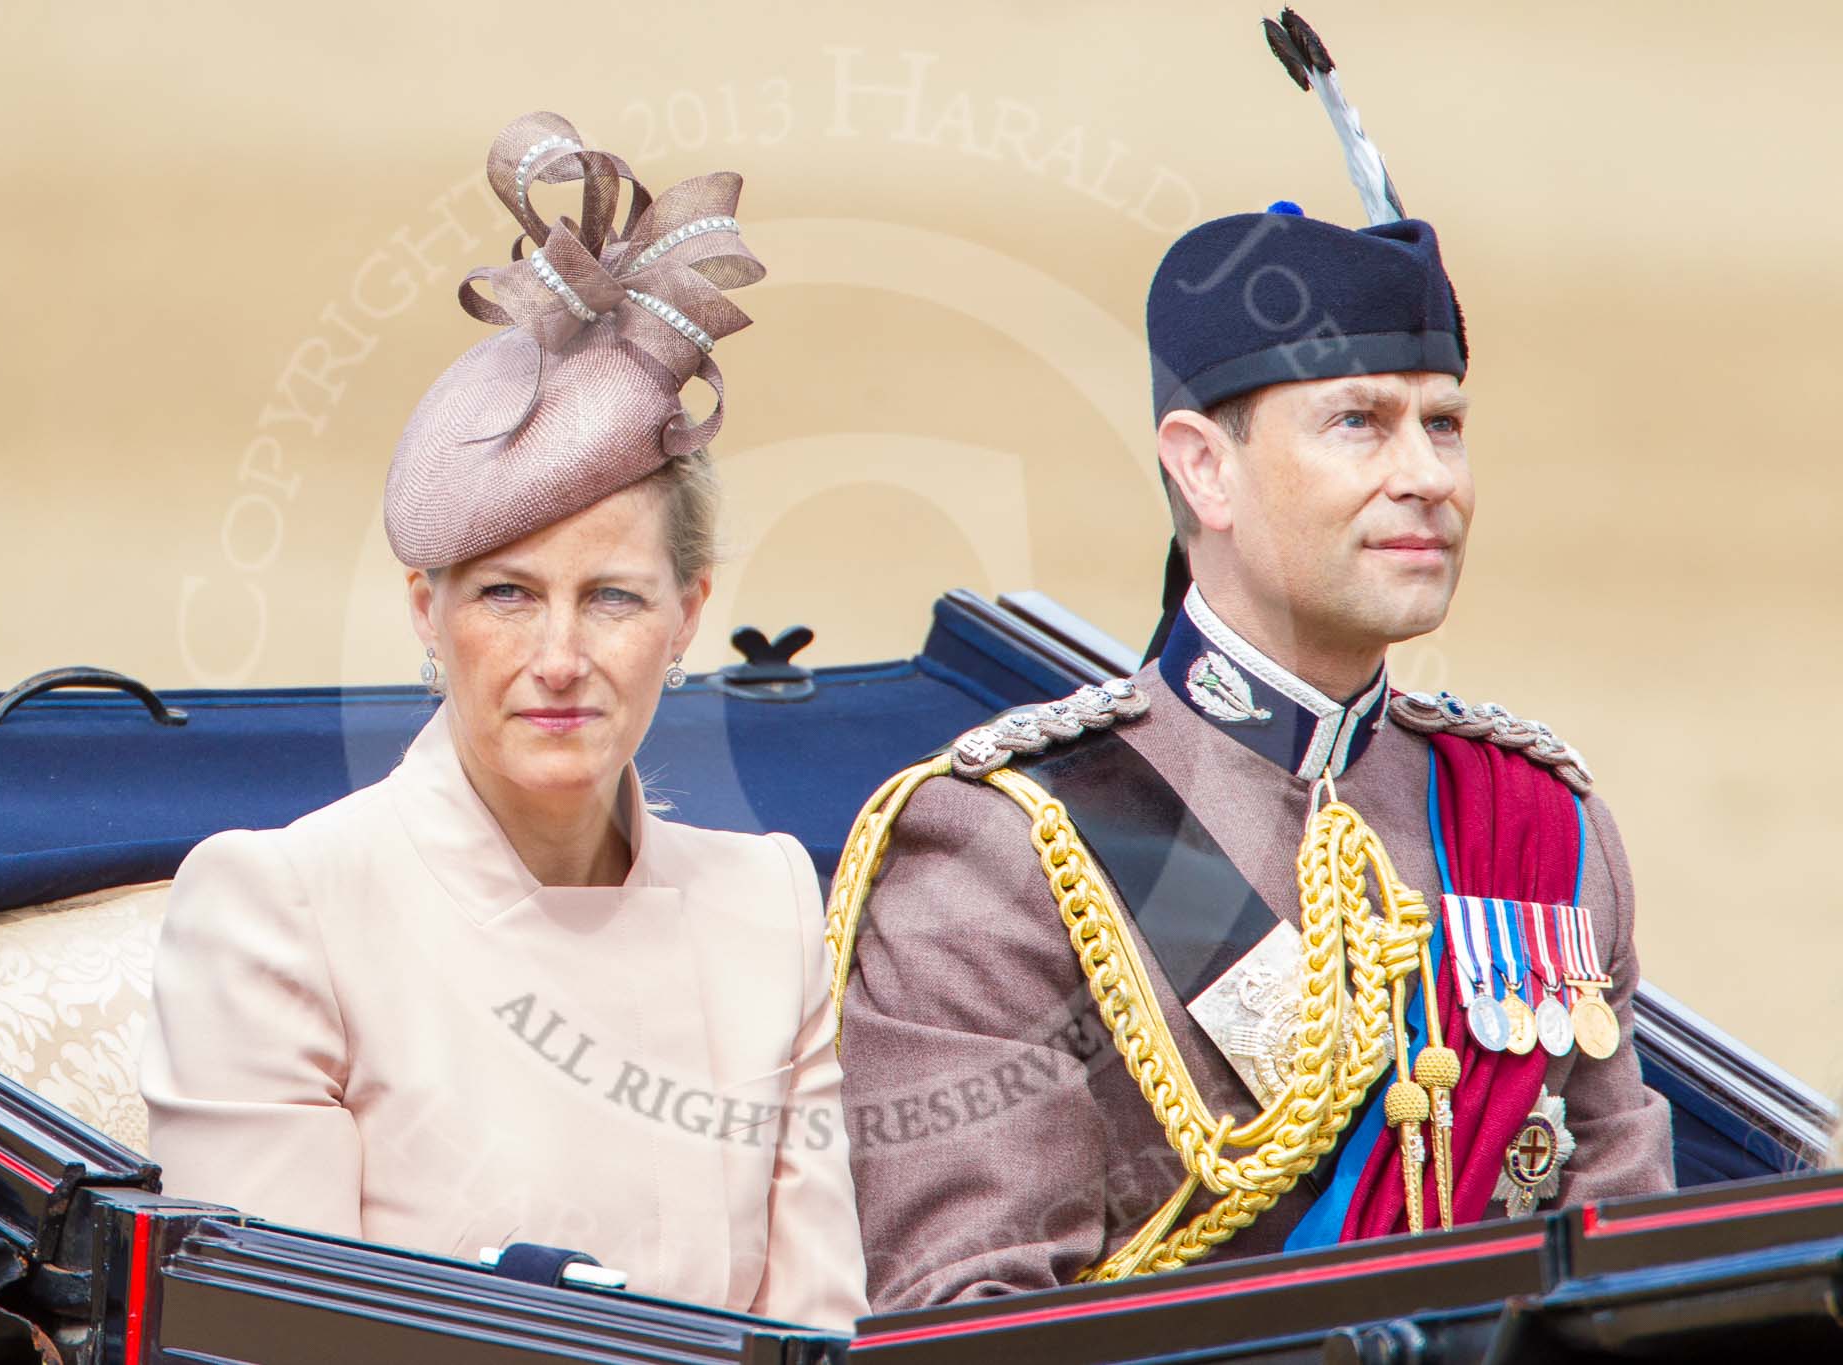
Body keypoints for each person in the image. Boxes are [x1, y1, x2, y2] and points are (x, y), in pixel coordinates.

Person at [827, 197, 1675, 1308]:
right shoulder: (1012, 842)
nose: (1427, 475)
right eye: (1358, 423)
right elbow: (970, 1317)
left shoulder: (1533, 826)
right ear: (1203, 470)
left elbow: (1636, 1278)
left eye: (1445, 424)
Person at [140, 112, 867, 1329]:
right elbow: (281, 1350)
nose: (560, 660)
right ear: (426, 612)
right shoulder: (280, 908)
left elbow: (816, 1335)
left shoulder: (768, 908)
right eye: (508, 597)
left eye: (614, 598)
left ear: (689, 614)